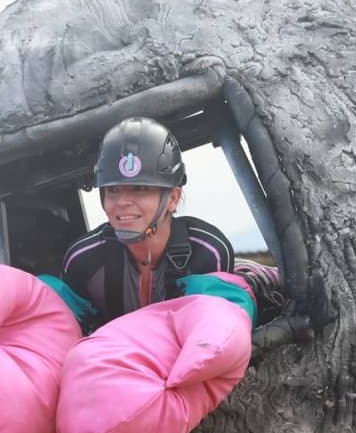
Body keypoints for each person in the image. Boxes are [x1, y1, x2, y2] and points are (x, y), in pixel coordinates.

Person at [61, 116, 235, 331]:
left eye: (140, 188)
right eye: (113, 190)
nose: (122, 202)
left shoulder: (206, 252)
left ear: (172, 198)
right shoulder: (83, 259)